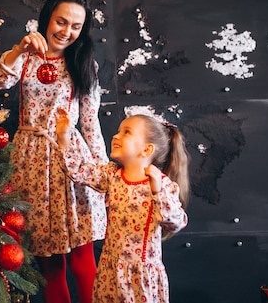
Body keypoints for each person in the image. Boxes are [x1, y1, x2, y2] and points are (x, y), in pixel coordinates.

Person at [0, 0, 108, 303]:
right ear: (46, 19)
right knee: (50, 265)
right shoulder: (25, 57)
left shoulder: (83, 63)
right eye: (61, 22)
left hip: (71, 160)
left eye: (76, 26)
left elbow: (90, 121)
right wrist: (18, 48)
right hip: (30, 163)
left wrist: (101, 175)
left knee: (84, 262)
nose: (67, 32)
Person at [56, 111, 190, 303]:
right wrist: (63, 137)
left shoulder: (161, 184)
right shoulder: (112, 175)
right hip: (109, 271)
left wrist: (158, 191)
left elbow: (176, 223)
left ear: (146, 150)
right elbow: (78, 171)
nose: (116, 136)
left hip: (139, 276)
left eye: (126, 132)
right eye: (118, 131)